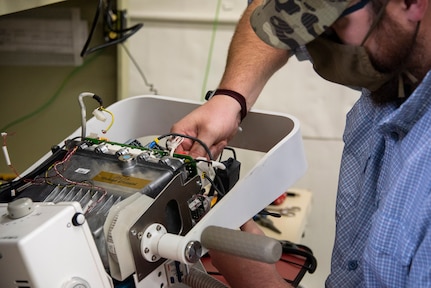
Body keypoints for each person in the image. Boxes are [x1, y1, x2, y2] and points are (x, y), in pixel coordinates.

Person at [171, 0, 431, 287]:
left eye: (334, 24)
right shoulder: (398, 51)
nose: (318, 47)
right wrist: (231, 99)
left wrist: (260, 282)